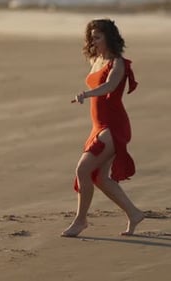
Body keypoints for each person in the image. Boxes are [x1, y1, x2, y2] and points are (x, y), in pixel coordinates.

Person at [61, 19, 144, 237]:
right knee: (100, 178)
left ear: (109, 37)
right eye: (92, 37)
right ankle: (134, 214)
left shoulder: (118, 64)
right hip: (97, 125)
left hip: (113, 126)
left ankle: (80, 221)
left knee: (83, 169)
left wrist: (86, 94)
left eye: (98, 37)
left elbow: (109, 86)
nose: (93, 41)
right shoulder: (96, 59)